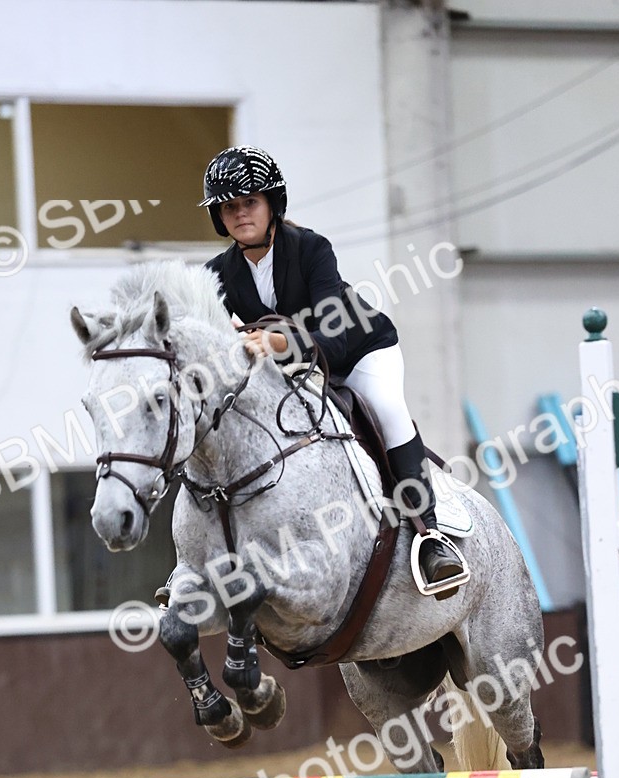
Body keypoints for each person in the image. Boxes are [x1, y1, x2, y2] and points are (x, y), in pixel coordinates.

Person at [199, 145, 468, 599]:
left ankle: (430, 535)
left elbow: (335, 334)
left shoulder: (311, 249)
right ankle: (201, 556)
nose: (240, 213)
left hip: (358, 353)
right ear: (219, 218)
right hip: (290, 375)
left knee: (385, 407)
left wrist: (277, 342)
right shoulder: (217, 275)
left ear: (272, 204)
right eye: (229, 207)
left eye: (250, 202)